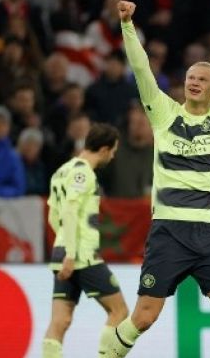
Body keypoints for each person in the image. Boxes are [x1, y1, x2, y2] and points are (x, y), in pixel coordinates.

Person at [104, 1, 210, 358]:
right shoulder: (162, 113)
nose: (194, 82)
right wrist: (127, 24)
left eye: (202, 79)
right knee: (143, 317)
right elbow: (141, 69)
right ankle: (105, 353)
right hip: (168, 230)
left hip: (207, 231)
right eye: (190, 78)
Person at [43, 123, 128, 357]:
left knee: (60, 320)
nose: (113, 156)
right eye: (113, 151)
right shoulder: (84, 173)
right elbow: (70, 209)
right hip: (80, 255)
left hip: (62, 252)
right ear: (103, 149)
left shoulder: (61, 171)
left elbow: (53, 215)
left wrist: (63, 243)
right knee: (119, 311)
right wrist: (71, 252)